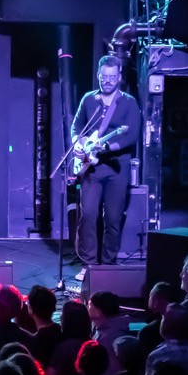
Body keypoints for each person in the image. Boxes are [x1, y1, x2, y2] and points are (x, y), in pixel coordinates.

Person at [70, 54, 141, 279]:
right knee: (88, 215)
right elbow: (76, 127)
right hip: (91, 167)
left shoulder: (128, 102)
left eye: (112, 77)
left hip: (116, 168)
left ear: (119, 77)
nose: (108, 81)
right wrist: (78, 145)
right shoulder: (89, 100)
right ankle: (88, 265)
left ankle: (108, 264)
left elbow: (132, 135)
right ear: (98, 76)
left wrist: (107, 146)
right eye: (104, 76)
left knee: (113, 217)